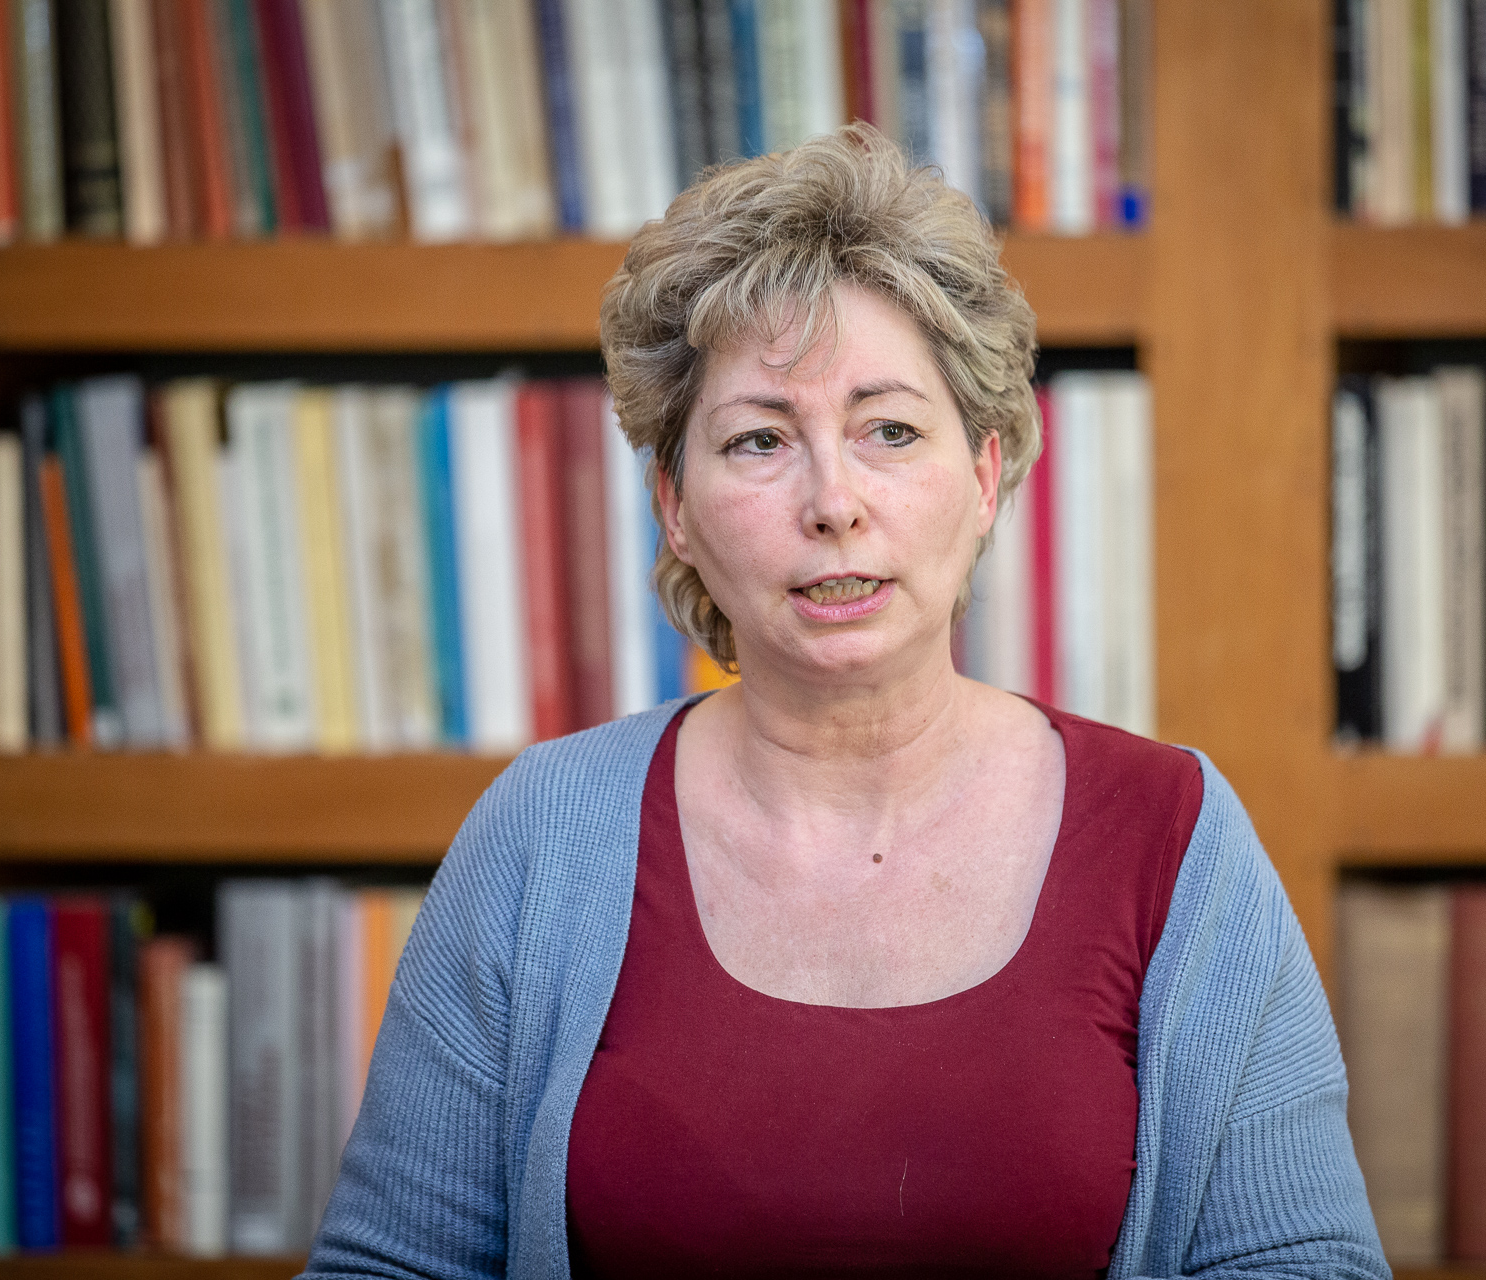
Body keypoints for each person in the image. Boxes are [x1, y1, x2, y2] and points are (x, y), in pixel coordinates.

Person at [303, 125, 1388, 1280]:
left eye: (890, 429)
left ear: (985, 475)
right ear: (675, 506)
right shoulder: (541, 834)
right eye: (760, 439)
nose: (834, 500)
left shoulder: (1172, 837)